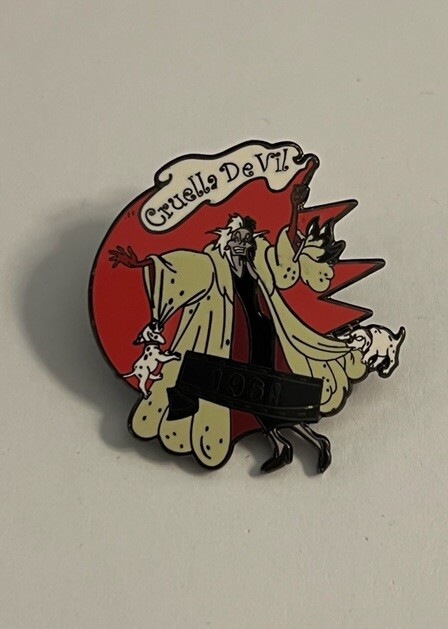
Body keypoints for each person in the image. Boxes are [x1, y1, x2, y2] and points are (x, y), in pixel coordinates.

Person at [109, 184, 367, 472]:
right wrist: (141, 263)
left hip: (265, 335)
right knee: (252, 397)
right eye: (237, 239)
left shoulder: (258, 264)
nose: (243, 243)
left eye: (247, 239)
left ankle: (314, 440)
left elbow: (288, 257)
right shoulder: (213, 265)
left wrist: (294, 210)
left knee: (271, 394)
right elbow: (179, 267)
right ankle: (282, 445)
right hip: (235, 340)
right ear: (227, 240)